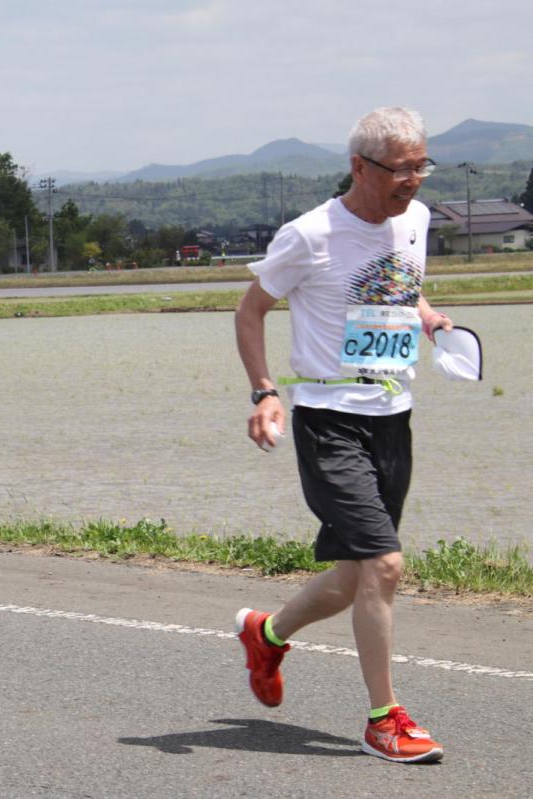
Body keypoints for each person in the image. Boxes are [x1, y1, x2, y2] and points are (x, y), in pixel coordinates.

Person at [233, 107, 450, 764]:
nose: (414, 180)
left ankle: (266, 634)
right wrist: (266, 391)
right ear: (360, 167)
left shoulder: (416, 220)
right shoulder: (308, 235)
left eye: (421, 165)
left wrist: (429, 316)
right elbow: (250, 312)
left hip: (394, 419)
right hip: (330, 424)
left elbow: (401, 284)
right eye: (401, 168)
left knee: (358, 574)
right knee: (385, 565)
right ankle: (385, 718)